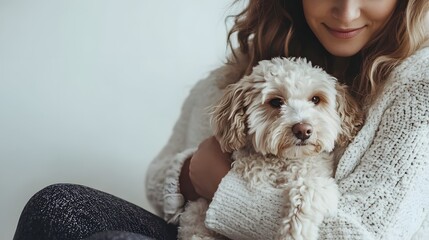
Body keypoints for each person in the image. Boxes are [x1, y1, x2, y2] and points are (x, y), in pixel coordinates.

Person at [14, 0, 429, 239]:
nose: (346, 10)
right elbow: (159, 176)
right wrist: (191, 174)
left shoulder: (418, 86)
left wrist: (224, 188)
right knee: (55, 205)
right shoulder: (239, 76)